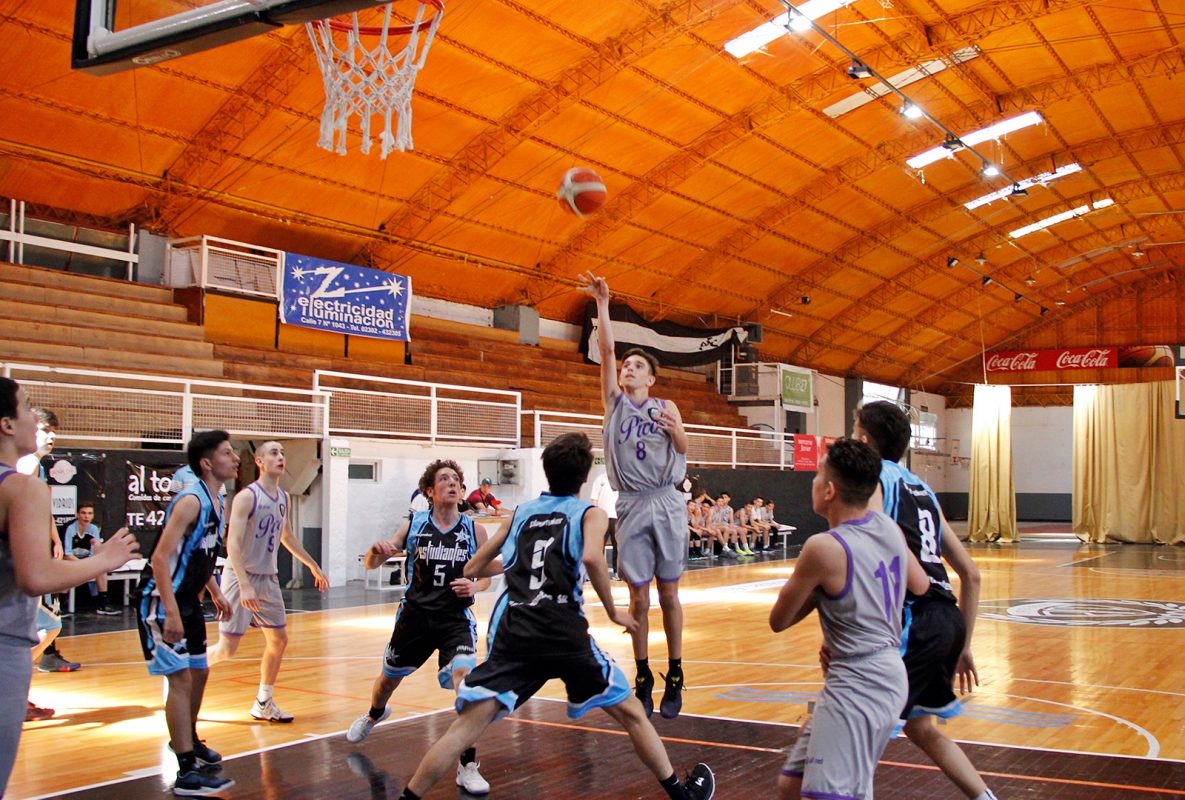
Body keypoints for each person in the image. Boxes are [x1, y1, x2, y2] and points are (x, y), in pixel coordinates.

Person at [396, 433, 715, 800]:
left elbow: (472, 567)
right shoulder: (590, 514)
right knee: (631, 714)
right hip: (563, 630)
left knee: (464, 729)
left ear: (546, 471)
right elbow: (593, 557)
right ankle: (681, 795)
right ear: (585, 477)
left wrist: (511, 564)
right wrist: (613, 611)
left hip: (517, 631)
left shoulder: (521, 512)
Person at [0, 377, 139, 795]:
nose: (36, 419)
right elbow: (35, 578)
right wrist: (104, 560)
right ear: (7, 424)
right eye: (27, 407)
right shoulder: (22, 486)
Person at [769, 438, 928, 800]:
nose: (812, 482)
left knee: (831, 795)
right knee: (791, 784)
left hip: (860, 683)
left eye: (816, 475)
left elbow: (779, 620)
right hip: (884, 670)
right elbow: (919, 585)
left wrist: (821, 589)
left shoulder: (823, 548)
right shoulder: (888, 527)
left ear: (829, 491)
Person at [853, 401, 997, 800]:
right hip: (947, 620)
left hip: (914, 619)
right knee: (921, 729)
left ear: (863, 439)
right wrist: (963, 646)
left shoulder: (875, 479)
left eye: (853, 429)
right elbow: (971, 574)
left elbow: (876, 541)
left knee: (857, 729)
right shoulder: (923, 489)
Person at [582, 271, 690, 719]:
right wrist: (603, 304)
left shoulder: (666, 407)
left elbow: (683, 447)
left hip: (666, 500)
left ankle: (676, 672)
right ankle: (643, 673)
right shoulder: (615, 403)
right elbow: (606, 351)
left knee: (669, 595)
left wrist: (677, 430)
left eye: (638, 366)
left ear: (652, 378)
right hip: (630, 504)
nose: (628, 368)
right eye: (627, 365)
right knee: (639, 599)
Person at [348, 459, 492, 795]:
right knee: (387, 682)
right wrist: (375, 552)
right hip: (415, 619)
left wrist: (475, 586)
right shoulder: (414, 524)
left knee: (466, 682)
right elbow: (372, 563)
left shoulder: (475, 530)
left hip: (455, 619)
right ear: (429, 490)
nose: (452, 483)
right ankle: (374, 714)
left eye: (456, 480)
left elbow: (486, 576)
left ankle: (468, 765)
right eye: (444, 479)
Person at [135, 430, 239, 797]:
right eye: (227, 453)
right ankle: (185, 772)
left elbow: (199, 553)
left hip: (188, 599)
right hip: (161, 598)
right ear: (207, 463)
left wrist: (215, 590)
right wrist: (170, 610)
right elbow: (159, 557)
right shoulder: (191, 501)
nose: (235, 458)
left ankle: (188, 739)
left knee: (200, 671)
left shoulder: (217, 500)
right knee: (179, 679)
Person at [206, 441, 329, 722]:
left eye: (283, 452)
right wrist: (244, 584)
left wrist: (312, 565)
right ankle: (183, 669)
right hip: (241, 577)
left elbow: (287, 537)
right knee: (227, 649)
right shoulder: (246, 497)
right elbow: (232, 544)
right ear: (260, 461)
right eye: (274, 452)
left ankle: (263, 702)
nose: (281, 456)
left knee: (278, 639)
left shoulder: (284, 497)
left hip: (268, 578)